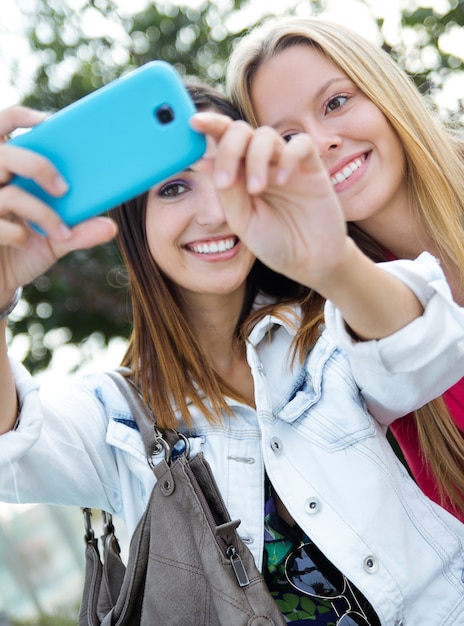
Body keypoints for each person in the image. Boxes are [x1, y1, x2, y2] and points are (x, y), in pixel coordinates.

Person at [1, 83, 464, 626]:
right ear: (134, 224)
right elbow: (13, 449)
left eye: (229, 177)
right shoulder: (116, 417)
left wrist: (331, 260)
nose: (215, 213)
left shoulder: (322, 332)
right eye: (174, 188)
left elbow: (426, 353)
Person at [226, 15, 464, 522]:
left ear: (384, 91)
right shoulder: (336, 338)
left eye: (336, 103)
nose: (319, 143)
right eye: (287, 137)